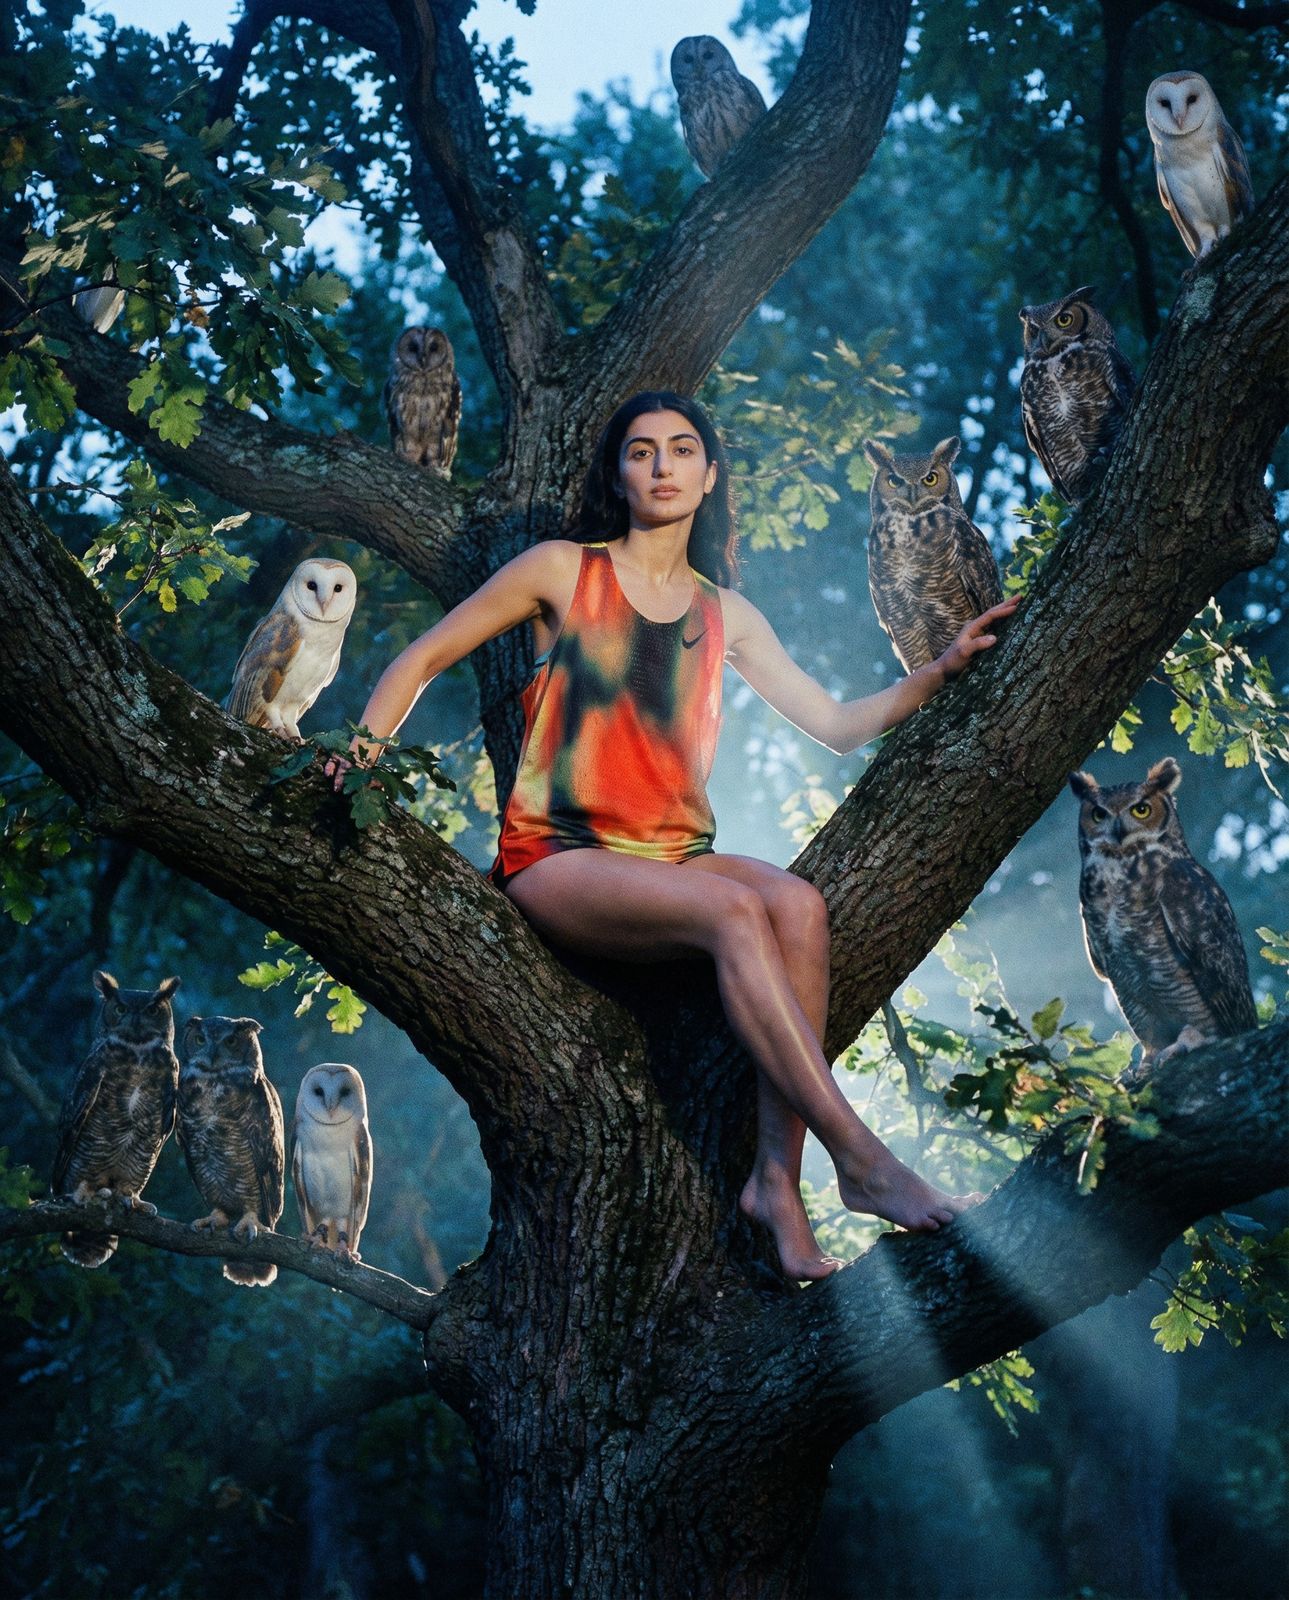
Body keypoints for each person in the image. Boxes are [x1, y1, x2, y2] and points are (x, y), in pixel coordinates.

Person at [333, 390, 1019, 1280]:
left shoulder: (724, 612)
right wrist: (360, 754)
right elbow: (422, 656)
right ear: (618, 475)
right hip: (562, 858)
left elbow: (838, 724)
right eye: (641, 451)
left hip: (675, 860)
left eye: (681, 450)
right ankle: (864, 1159)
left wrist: (940, 666)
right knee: (740, 914)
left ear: (708, 474)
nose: (661, 466)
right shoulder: (558, 570)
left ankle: (775, 1183)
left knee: (799, 908)